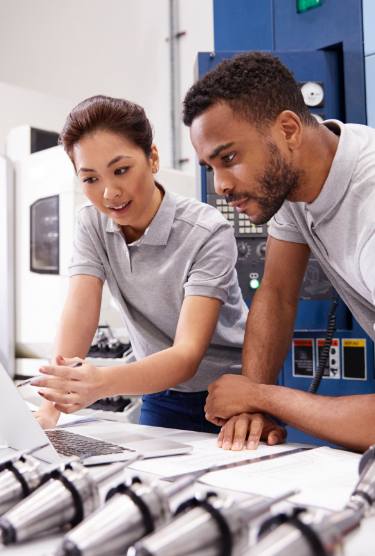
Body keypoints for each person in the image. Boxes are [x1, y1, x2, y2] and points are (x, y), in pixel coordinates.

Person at [32, 94, 286, 445]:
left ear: (152, 158)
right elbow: (79, 312)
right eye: (90, 179)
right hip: (160, 393)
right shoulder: (91, 224)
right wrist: (49, 409)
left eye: (121, 170)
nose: (110, 192)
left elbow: (187, 355)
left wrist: (102, 382)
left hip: (231, 393)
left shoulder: (206, 230)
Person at [182, 51, 375, 453]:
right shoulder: (296, 179)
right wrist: (252, 399)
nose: (220, 186)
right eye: (209, 167)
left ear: (288, 129)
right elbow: (277, 293)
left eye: (229, 158)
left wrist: (261, 398)